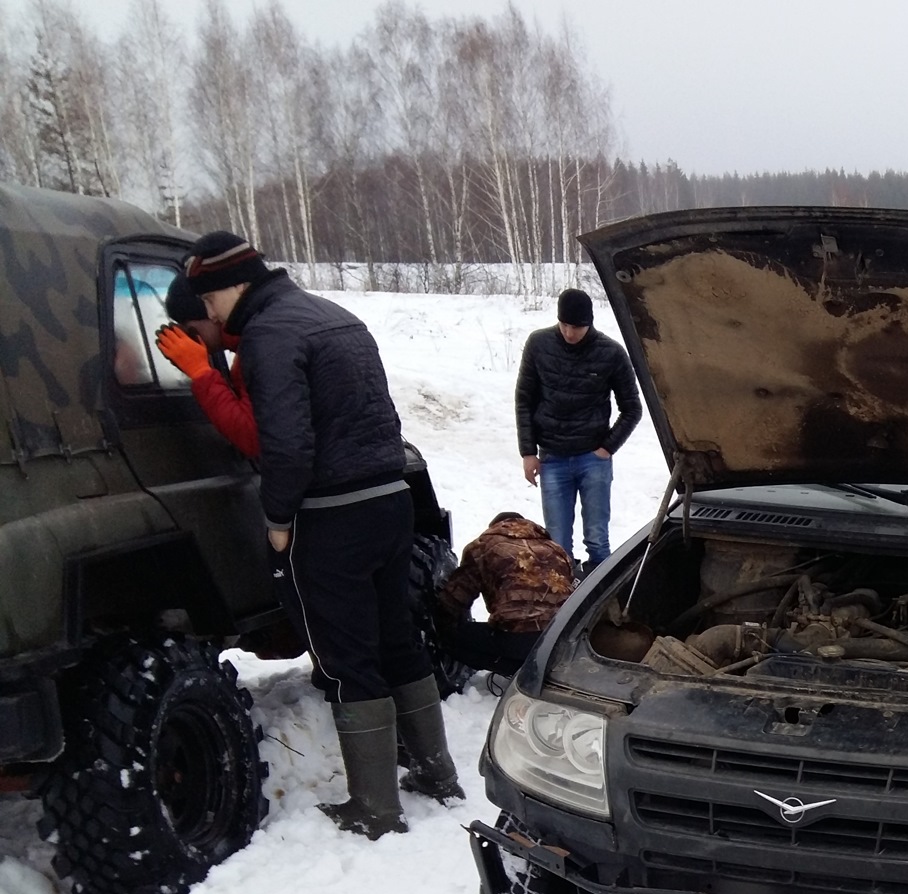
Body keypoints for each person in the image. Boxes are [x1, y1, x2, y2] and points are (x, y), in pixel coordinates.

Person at [185, 229, 463, 839]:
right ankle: (437, 774)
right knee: (397, 640)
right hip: (390, 499)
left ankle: (375, 808)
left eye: (208, 300)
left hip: (332, 514)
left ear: (234, 285)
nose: (210, 314)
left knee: (345, 658)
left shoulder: (269, 336)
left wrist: (278, 520)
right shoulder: (335, 315)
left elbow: (285, 446)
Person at [515, 288, 641, 573]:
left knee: (597, 539)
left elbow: (632, 408)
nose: (570, 333)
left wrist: (607, 448)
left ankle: (601, 590)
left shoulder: (611, 353)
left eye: (577, 327)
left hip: (592, 458)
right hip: (552, 457)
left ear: (589, 323)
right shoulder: (539, 344)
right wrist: (528, 452)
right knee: (557, 544)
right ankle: (564, 593)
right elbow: (524, 400)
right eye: (564, 325)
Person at [436, 511, 576, 675]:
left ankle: (515, 668)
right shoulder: (556, 549)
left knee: (449, 637)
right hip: (559, 640)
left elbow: (456, 597)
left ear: (495, 527)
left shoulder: (483, 545)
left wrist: (439, 621)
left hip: (516, 640)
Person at [155, 276, 257, 456]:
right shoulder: (247, 344)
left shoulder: (256, 349)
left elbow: (252, 437)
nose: (186, 337)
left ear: (212, 317)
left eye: (188, 326)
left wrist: (201, 372)